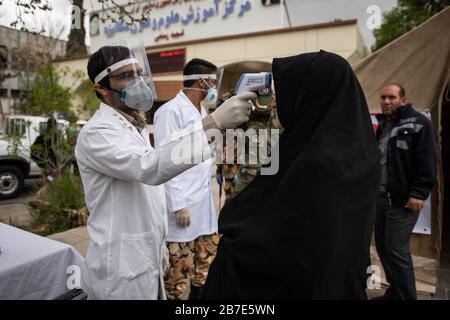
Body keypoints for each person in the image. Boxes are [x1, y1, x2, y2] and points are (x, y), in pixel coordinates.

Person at [74, 44, 256, 300]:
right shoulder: (97, 133)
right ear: (101, 89)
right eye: (125, 76)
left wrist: (210, 122)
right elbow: (151, 166)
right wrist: (215, 122)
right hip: (120, 266)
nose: (137, 82)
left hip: (147, 254)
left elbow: (170, 148)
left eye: (138, 74)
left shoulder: (133, 126)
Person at [203, 50, 381, 299]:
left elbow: (278, 246)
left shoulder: (316, 163)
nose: (275, 103)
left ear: (308, 95)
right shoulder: (356, 153)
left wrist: (234, 236)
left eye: (281, 95)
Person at [153, 58, 220, 300]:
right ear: (201, 82)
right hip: (182, 209)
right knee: (177, 277)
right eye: (212, 83)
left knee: (203, 271)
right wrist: (178, 204)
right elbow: (165, 161)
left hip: (203, 207)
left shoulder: (203, 112)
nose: (215, 88)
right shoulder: (169, 112)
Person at [373, 83, 437, 300]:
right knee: (383, 249)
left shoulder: (419, 123)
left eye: (391, 97)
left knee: (396, 251)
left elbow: (428, 160)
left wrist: (419, 193)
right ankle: (395, 293)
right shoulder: (384, 125)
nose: (386, 102)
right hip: (380, 200)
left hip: (401, 202)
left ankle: (406, 297)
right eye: (383, 97)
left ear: (403, 99)